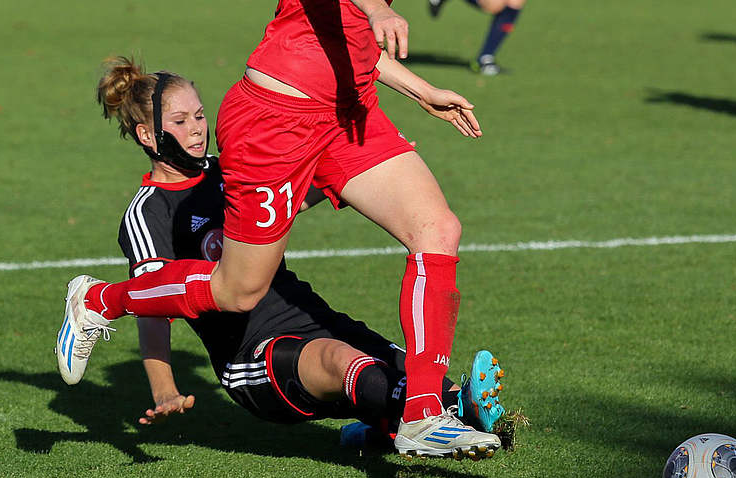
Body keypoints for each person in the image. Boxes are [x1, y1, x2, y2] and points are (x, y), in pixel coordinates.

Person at [55, 0, 503, 459]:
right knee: (239, 289)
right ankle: (102, 300)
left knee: (436, 227)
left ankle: (420, 412)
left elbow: (340, 33)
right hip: (278, 118)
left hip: (343, 112)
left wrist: (416, 88)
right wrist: (376, 7)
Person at [81, 58, 507, 455]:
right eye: (180, 121)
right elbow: (152, 302)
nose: (196, 129)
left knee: (410, 370)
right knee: (343, 361)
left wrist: (366, 166)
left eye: (199, 115)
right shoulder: (148, 212)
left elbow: (288, 198)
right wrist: (164, 390)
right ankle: (416, 418)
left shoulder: (230, 170)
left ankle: (419, 415)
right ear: (147, 136)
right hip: (253, 353)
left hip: (305, 310)